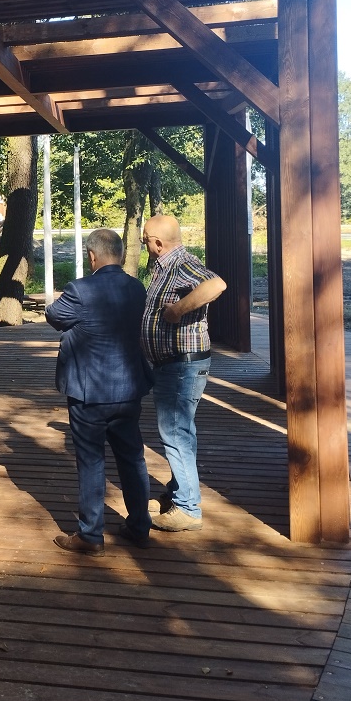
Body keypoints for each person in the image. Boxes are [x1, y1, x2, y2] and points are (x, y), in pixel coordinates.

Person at [46, 228, 153, 553]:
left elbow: (54, 316)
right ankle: (140, 526)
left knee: (91, 461)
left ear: (91, 256)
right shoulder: (136, 288)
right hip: (128, 388)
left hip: (88, 391)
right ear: (120, 254)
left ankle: (91, 535)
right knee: (132, 457)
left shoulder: (80, 290)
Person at [141, 214, 226, 532]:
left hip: (181, 365)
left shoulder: (181, 264)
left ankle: (188, 508)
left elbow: (216, 284)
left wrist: (177, 310)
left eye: (145, 240)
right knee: (180, 433)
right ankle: (178, 493)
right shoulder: (165, 267)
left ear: (157, 242)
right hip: (172, 365)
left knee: (176, 434)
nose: (145, 245)